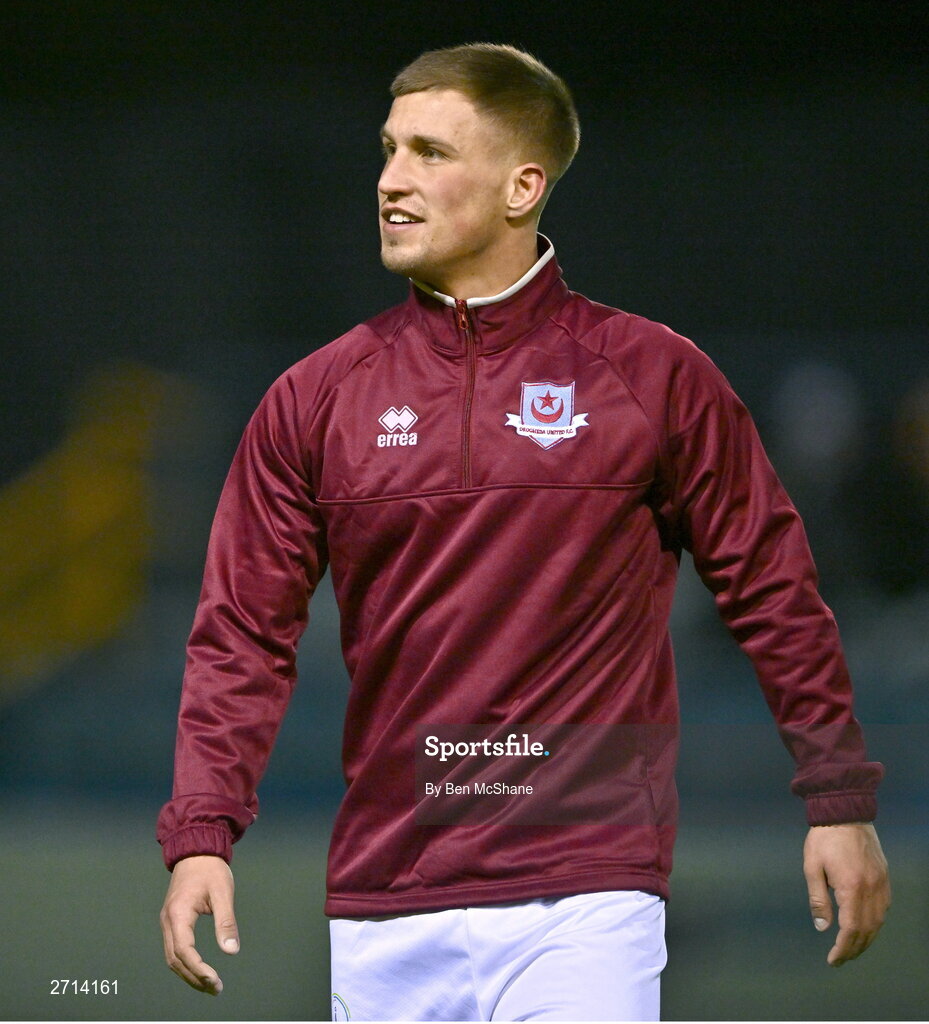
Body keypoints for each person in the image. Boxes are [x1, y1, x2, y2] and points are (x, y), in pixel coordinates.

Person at [157, 43, 890, 1021]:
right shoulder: (314, 399)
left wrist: (835, 799)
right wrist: (203, 831)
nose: (389, 181)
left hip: (584, 893)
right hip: (384, 902)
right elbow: (241, 634)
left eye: (427, 151)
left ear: (522, 184)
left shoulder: (652, 376)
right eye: (386, 150)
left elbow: (772, 592)